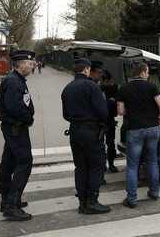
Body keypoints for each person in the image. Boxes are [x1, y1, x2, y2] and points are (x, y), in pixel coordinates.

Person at [62, 58, 111, 214]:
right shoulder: (92, 87)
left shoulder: (67, 88)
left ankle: (82, 201)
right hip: (91, 132)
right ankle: (92, 200)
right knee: (96, 166)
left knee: (81, 166)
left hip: (75, 131)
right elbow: (103, 111)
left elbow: (65, 114)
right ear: (86, 69)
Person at [117, 62, 160, 208]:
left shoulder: (124, 88)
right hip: (152, 128)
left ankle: (131, 199)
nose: (149, 74)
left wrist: (131, 112)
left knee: (132, 165)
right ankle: (154, 191)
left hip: (135, 129)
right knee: (152, 161)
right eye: (148, 72)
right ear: (143, 73)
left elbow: (120, 110)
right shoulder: (152, 87)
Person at [0, 50, 35, 221]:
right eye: (30, 64)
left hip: (14, 128)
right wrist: (27, 119)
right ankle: (12, 204)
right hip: (16, 128)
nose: (32, 66)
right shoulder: (13, 82)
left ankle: (7, 200)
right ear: (21, 65)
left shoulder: (15, 80)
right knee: (25, 162)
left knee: (9, 162)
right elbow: (14, 107)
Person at [101, 70, 119, 173]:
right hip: (101, 120)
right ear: (102, 81)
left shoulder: (115, 88)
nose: (110, 84)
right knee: (100, 144)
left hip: (110, 119)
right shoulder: (99, 89)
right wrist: (109, 101)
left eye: (110, 81)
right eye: (107, 82)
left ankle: (111, 164)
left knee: (110, 143)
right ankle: (103, 165)